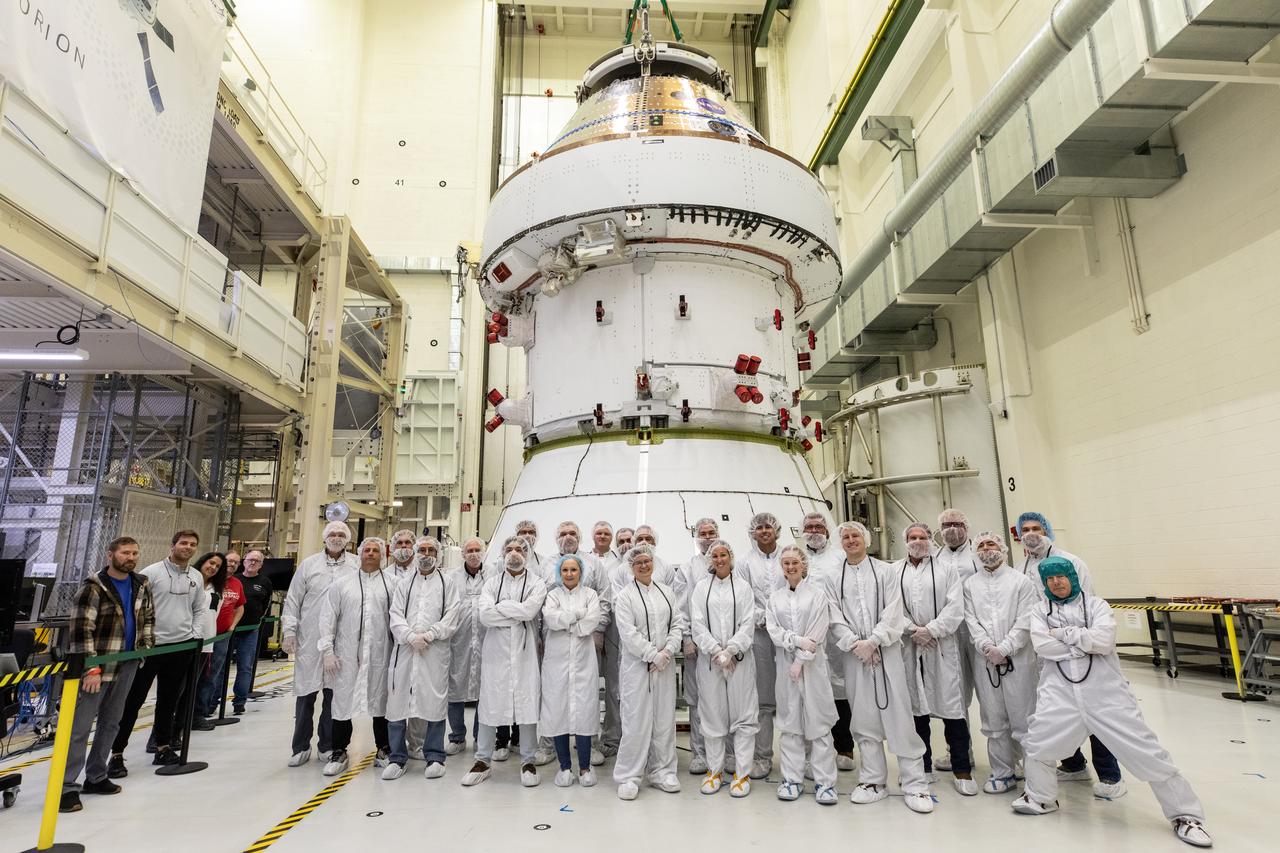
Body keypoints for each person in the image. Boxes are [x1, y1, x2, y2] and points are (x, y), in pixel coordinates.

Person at [1013, 557, 1212, 848]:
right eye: (1050, 579)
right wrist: (1083, 640)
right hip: (1060, 695)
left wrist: (1065, 635)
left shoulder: (1097, 606)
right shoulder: (1039, 611)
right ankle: (1041, 798)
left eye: (1061, 576)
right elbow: (1044, 646)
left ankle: (1185, 815)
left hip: (1106, 695)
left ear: (1073, 576)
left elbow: (1104, 641)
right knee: (1039, 744)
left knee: (1147, 753)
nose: (1056, 582)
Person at [825, 522, 932, 813]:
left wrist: (873, 641)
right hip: (854, 657)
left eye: (855, 536)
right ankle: (873, 780)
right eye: (845, 537)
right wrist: (855, 644)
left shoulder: (885, 571)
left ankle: (914, 782)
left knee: (899, 714)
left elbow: (894, 611)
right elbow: (833, 615)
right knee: (862, 717)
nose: (850, 540)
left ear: (866, 539)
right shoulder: (834, 577)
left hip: (887, 654)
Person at [1016, 510, 1121, 798]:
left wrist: (1067, 638)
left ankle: (1111, 776)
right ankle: (1073, 764)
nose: (1031, 533)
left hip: (1081, 651)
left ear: (1047, 529)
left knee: (1095, 712)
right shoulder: (1021, 567)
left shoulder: (1072, 561)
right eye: (1025, 529)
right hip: (1044, 653)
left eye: (1037, 527)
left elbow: (1084, 605)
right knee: (1057, 712)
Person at [60, 537, 155, 813]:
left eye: (135, 553)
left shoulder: (141, 584)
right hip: (98, 666)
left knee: (111, 723)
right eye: (125, 553)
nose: (131, 557)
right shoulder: (93, 588)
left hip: (126, 663)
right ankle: (65, 787)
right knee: (79, 728)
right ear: (110, 555)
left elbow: (148, 618)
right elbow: (80, 630)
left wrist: (143, 650)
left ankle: (96, 775)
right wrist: (90, 667)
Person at [109, 529, 210, 776]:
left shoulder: (195, 576)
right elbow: (137, 609)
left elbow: (199, 609)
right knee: (133, 701)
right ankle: (116, 753)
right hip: (151, 648)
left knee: (169, 700)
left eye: (192, 544)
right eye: (183, 543)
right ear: (172, 545)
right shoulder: (150, 574)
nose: (188, 547)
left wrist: (194, 635)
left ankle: (163, 746)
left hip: (181, 647)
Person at [896, 522, 975, 795]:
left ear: (931, 540)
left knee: (953, 708)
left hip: (942, 645)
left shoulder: (946, 570)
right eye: (912, 537)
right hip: (909, 646)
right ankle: (923, 766)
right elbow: (890, 607)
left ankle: (962, 769)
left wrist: (931, 630)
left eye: (923, 536)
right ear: (904, 540)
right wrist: (912, 630)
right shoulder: (895, 570)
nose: (918, 541)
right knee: (916, 710)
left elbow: (956, 607)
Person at [461, 535, 547, 787]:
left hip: (524, 653)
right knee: (490, 702)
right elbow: (485, 615)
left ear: (527, 554)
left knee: (527, 703)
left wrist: (503, 608)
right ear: (502, 553)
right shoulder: (491, 583)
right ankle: (482, 760)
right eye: (509, 548)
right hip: (495, 653)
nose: (514, 552)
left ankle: (528, 760)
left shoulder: (537, 583)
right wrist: (515, 611)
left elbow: (530, 611)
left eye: (519, 549)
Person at [963, 532, 1037, 794]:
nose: (986, 549)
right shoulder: (970, 584)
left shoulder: (1021, 581)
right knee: (993, 718)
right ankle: (1002, 772)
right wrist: (986, 647)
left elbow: (1026, 617)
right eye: (981, 545)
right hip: (985, 660)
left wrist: (1005, 648)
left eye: (991, 544)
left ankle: (1034, 776)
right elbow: (970, 619)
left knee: (1024, 718)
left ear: (1003, 548)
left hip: (1018, 659)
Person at [282, 521, 358, 767]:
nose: (336, 538)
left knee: (334, 695)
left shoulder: (355, 565)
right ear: (325, 538)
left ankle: (327, 745)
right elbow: (293, 600)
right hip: (310, 639)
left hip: (342, 639)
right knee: (306, 694)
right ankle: (300, 746)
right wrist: (289, 631)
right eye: (332, 534)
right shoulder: (309, 565)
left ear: (347, 539)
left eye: (341, 535)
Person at [383, 538, 461, 780]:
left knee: (434, 703)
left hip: (433, 651)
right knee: (397, 704)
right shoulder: (404, 583)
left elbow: (452, 614)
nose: (426, 554)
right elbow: (394, 613)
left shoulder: (448, 583)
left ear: (438, 554)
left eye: (431, 550)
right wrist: (408, 636)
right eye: (423, 550)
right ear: (416, 553)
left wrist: (429, 635)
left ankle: (435, 755)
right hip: (405, 651)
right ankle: (397, 758)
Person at [612, 543, 684, 800]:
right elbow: (628, 633)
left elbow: (677, 623)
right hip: (637, 668)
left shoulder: (666, 592)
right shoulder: (625, 596)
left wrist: (667, 653)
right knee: (636, 722)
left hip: (664, 666)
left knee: (664, 720)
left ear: (654, 562)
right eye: (638, 562)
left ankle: (662, 771)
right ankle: (629, 776)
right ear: (630, 567)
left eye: (647, 561)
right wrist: (653, 654)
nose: (644, 565)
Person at [318, 537, 396, 776]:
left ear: (382, 555)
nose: (371, 554)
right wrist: (327, 651)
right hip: (346, 654)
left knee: (381, 701)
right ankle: (339, 751)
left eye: (376, 550)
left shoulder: (392, 584)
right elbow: (327, 618)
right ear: (359, 554)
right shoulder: (342, 585)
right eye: (367, 550)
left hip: (381, 653)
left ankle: (384, 748)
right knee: (342, 702)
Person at [767, 546, 838, 805]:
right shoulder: (775, 598)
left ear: (803, 564)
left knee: (818, 725)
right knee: (790, 725)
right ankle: (791, 779)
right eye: (785, 562)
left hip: (813, 668)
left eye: (794, 562)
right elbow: (774, 629)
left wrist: (801, 659)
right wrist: (796, 642)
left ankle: (825, 783)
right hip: (785, 670)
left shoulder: (817, 595)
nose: (790, 566)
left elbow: (818, 633)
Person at [690, 538, 757, 797]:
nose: (719, 559)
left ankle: (742, 773)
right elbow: (697, 624)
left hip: (739, 660)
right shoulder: (701, 589)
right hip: (711, 662)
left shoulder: (742, 587)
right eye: (714, 556)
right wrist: (716, 651)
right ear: (709, 560)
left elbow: (747, 623)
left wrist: (730, 650)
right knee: (712, 716)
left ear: (731, 557)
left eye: (723, 555)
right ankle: (714, 770)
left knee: (743, 716)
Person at [540, 555, 604, 787]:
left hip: (584, 661)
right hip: (556, 661)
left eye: (573, 569)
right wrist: (577, 616)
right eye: (565, 569)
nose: (569, 573)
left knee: (585, 712)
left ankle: (585, 768)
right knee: (558, 711)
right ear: (560, 572)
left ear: (580, 571)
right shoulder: (553, 595)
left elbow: (592, 621)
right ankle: (565, 767)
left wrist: (567, 621)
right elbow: (550, 619)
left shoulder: (590, 595)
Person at [799, 512, 854, 771]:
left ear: (828, 531)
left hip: (835, 632)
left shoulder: (840, 557)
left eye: (819, 527)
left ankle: (845, 746)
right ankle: (815, 748)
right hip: (806, 633)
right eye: (809, 527)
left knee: (840, 690)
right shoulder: (796, 557)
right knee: (813, 691)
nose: (814, 531)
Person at [932, 508, 981, 771]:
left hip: (979, 631)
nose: (952, 529)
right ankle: (961, 751)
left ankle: (1011, 756)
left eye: (957, 524)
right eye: (946, 525)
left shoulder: (979, 553)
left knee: (991, 693)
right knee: (955, 694)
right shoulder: (936, 557)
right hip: (948, 633)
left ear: (967, 526)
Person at [674, 517, 720, 776]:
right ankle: (700, 753)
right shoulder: (688, 568)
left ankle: (725, 752)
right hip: (698, 648)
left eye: (711, 532)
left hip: (725, 647)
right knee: (697, 701)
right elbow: (682, 606)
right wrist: (687, 639)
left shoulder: (727, 561)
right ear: (695, 536)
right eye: (702, 533)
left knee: (724, 700)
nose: (707, 537)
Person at [741, 511, 783, 779]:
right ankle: (763, 756)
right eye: (760, 528)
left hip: (789, 635)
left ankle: (800, 757)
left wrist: (782, 620)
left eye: (769, 527)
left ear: (776, 531)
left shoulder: (789, 556)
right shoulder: (745, 563)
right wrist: (764, 619)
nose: (765, 531)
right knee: (764, 699)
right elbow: (744, 598)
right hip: (759, 635)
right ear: (753, 533)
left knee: (794, 698)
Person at [447, 537, 487, 754]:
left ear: (484, 552)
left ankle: (480, 737)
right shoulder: (451, 578)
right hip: (457, 642)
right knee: (454, 690)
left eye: (477, 550)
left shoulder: (492, 576)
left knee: (484, 690)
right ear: (462, 554)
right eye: (469, 550)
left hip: (486, 641)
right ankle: (457, 737)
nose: (473, 554)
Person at [600, 525, 635, 759]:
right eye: (621, 541)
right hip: (615, 635)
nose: (625, 544)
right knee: (614, 688)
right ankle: (612, 736)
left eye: (629, 540)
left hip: (641, 637)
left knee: (638, 691)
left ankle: (636, 739)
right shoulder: (610, 568)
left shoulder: (648, 565)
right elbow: (607, 598)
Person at [197, 552, 244, 724]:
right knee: (196, 676)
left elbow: (240, 607)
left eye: (236, 562)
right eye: (229, 561)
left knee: (213, 673)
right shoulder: (205, 582)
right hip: (199, 636)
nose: (232, 564)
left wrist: (232, 627)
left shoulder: (235, 584)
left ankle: (204, 709)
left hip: (221, 636)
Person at [230, 550, 273, 714]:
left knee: (245, 667)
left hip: (250, 630)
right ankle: (211, 703)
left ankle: (239, 702)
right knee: (219, 668)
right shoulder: (234, 580)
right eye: (250, 559)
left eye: (257, 561)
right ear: (244, 561)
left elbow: (266, 604)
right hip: (228, 630)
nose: (253, 563)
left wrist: (256, 621)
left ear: (261, 565)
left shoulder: (264, 582)